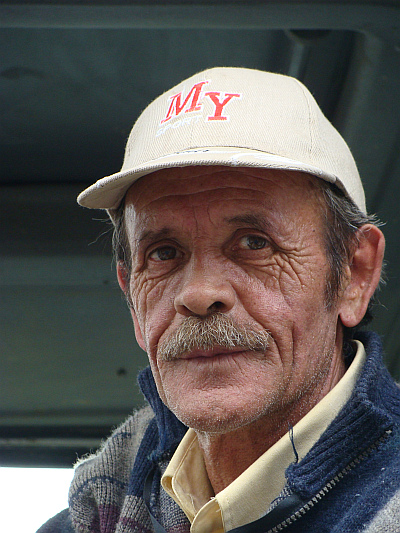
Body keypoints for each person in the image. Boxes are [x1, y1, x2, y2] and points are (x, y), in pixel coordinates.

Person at [38, 67, 400, 533]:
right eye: (164, 253)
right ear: (133, 298)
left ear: (354, 274)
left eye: (254, 243)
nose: (199, 294)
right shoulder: (85, 519)